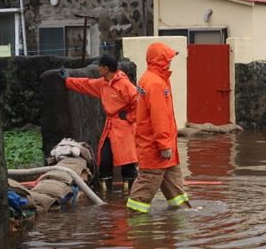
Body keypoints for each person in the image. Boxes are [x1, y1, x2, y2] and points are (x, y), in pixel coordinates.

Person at [127, 42, 191, 213]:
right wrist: (164, 144)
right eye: (168, 58)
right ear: (160, 60)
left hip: (158, 145)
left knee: (174, 184)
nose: (170, 61)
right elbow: (159, 117)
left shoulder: (151, 79)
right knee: (148, 181)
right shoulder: (155, 83)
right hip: (155, 147)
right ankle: (135, 219)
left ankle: (183, 212)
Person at [60, 54, 138, 192]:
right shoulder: (103, 83)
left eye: (100, 67)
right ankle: (107, 196)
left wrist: (129, 116)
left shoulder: (125, 85)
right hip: (111, 128)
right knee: (105, 162)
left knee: (128, 164)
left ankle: (129, 196)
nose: (98, 69)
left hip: (124, 128)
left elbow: (140, 103)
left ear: (106, 68)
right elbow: (85, 84)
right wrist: (68, 80)